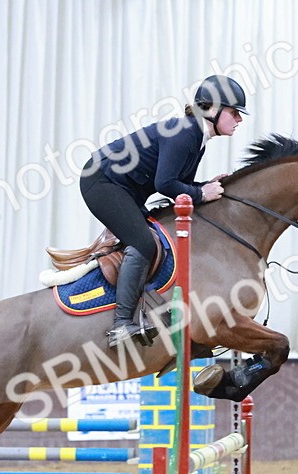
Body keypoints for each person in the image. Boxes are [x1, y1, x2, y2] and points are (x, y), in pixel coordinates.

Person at [81, 75, 248, 348]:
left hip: (125, 188)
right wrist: (201, 193)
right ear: (211, 109)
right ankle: (121, 324)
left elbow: (178, 182)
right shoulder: (185, 133)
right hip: (102, 182)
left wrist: (203, 187)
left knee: (158, 238)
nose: (239, 119)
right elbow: (165, 184)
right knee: (144, 243)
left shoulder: (197, 136)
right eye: (234, 112)